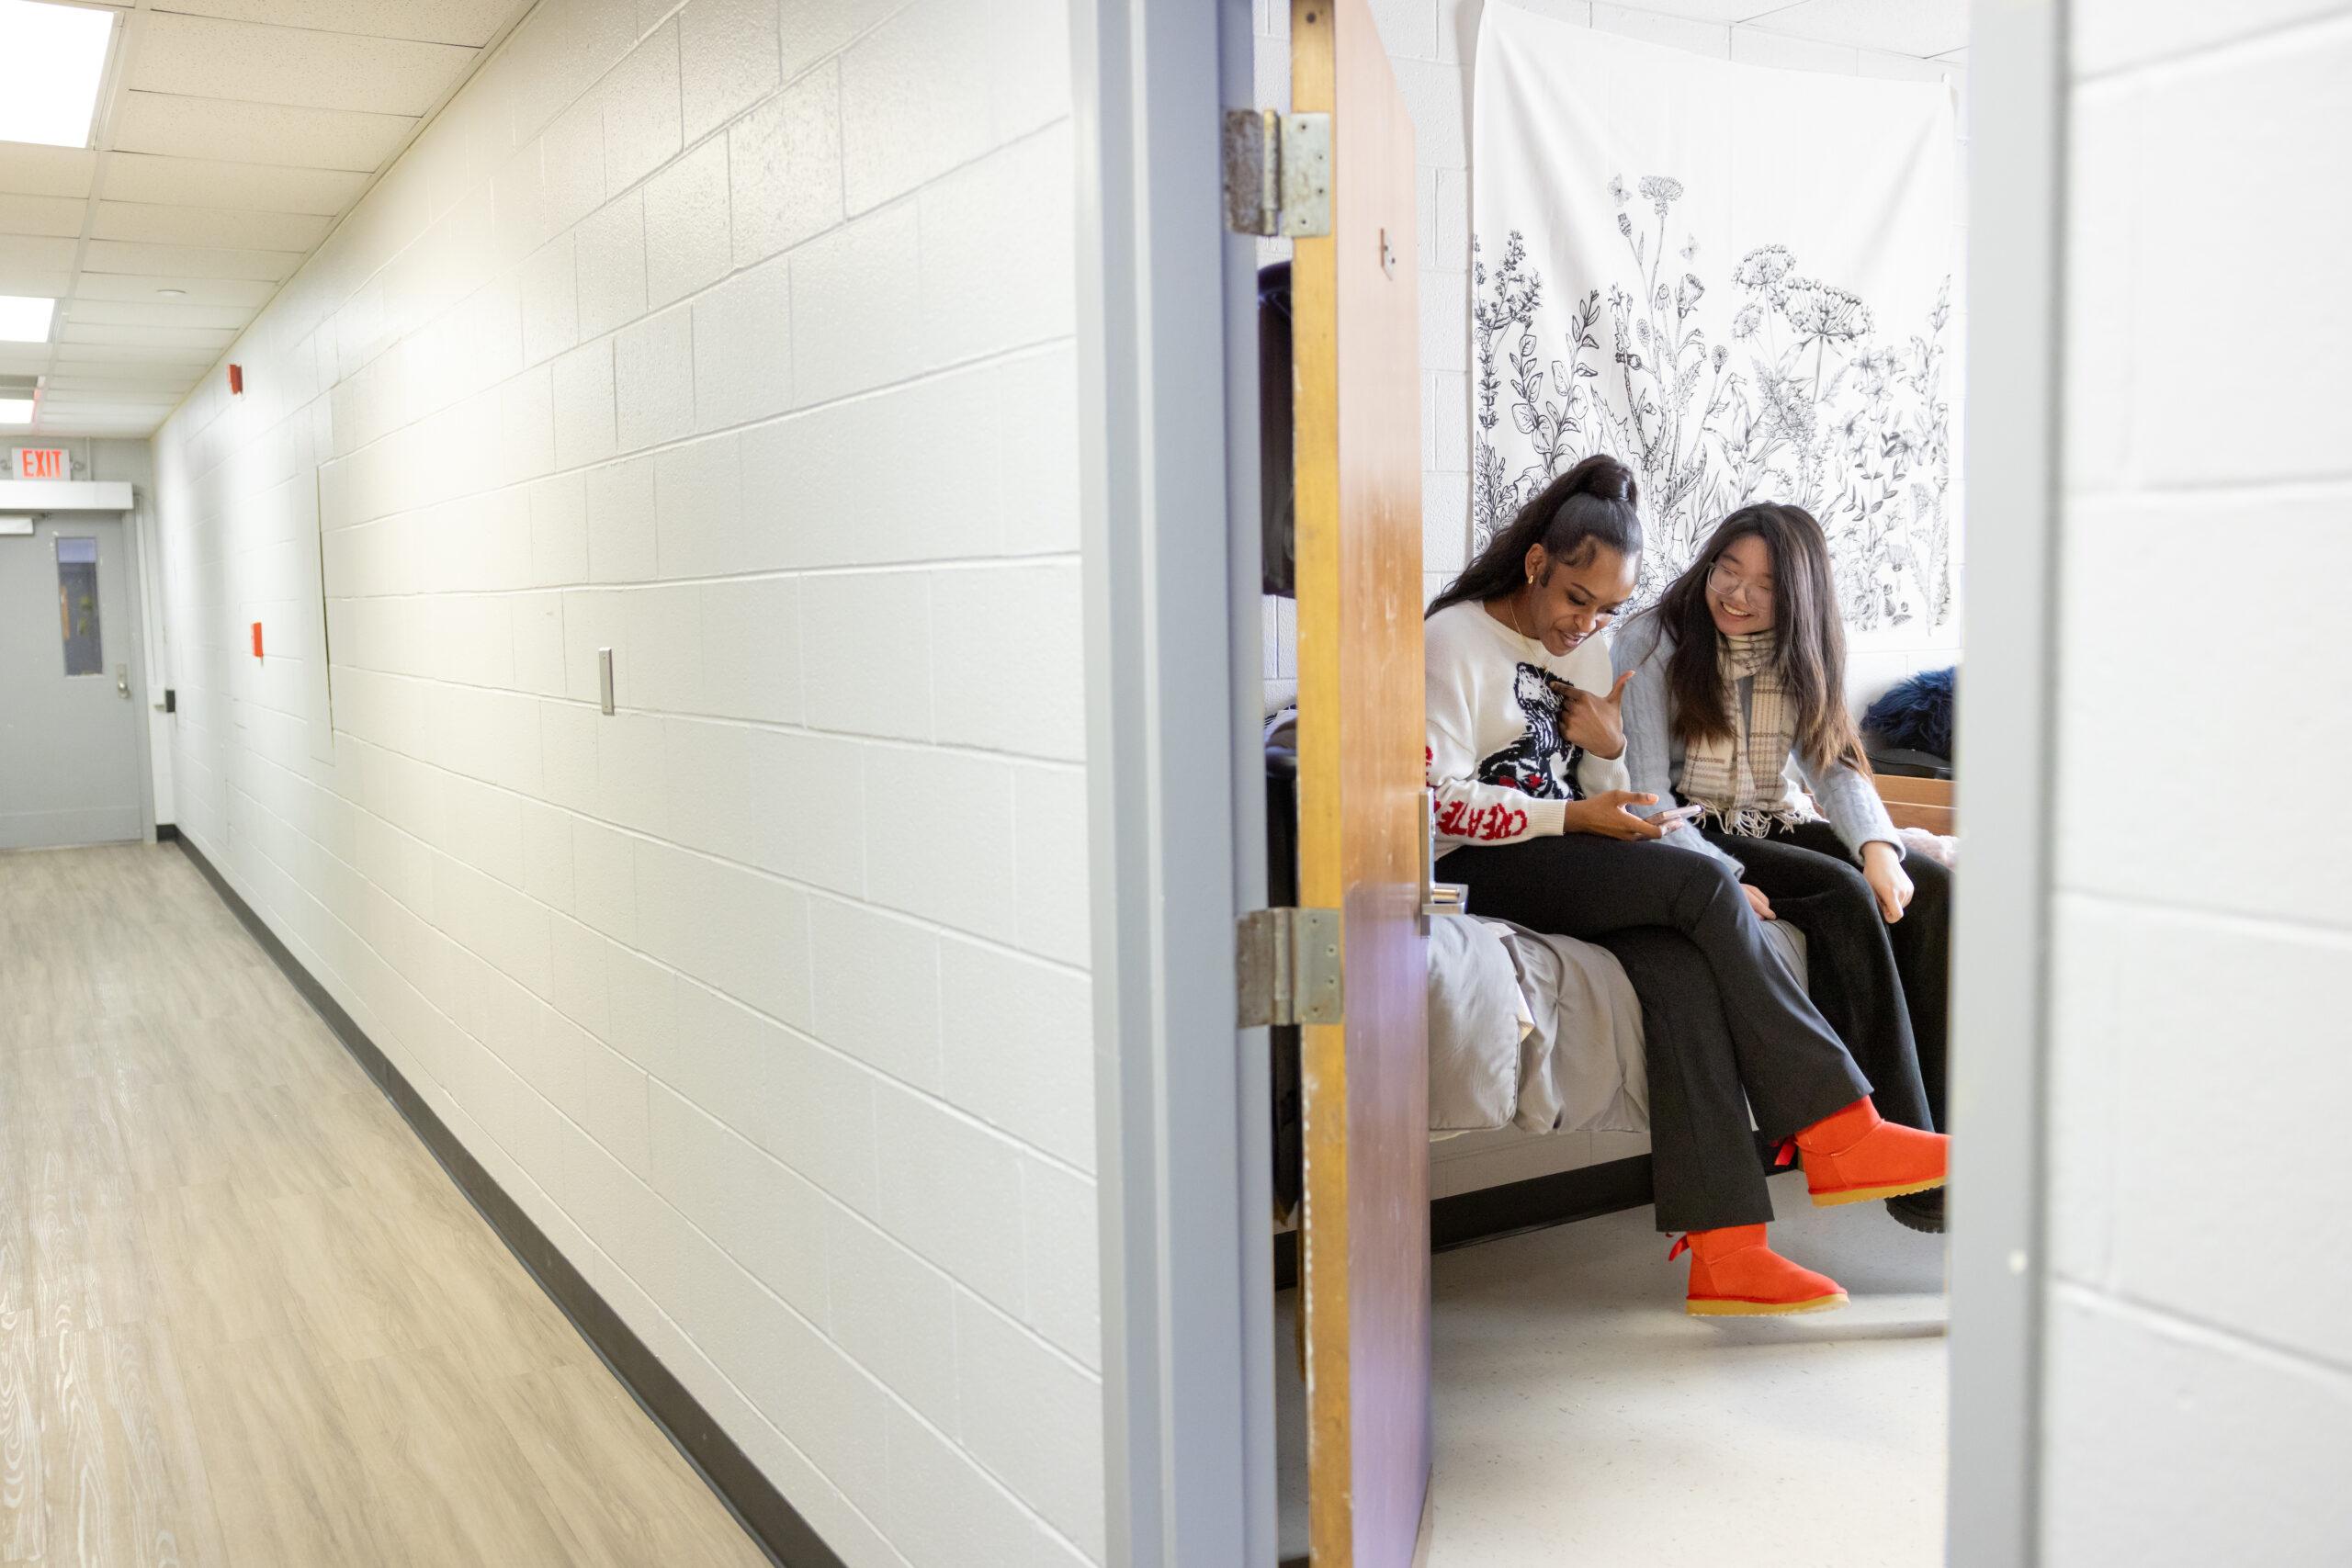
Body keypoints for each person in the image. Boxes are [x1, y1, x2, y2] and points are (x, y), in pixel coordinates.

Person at [1427, 455, 1946, 1315]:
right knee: (1702, 894)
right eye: (1573, 599)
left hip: (1567, 849)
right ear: (1535, 565)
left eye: (1605, 608)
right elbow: (1438, 801)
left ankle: (1726, 1249)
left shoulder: (1588, 652)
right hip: (1478, 861)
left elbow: (1607, 795)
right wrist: (1586, 821)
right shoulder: (1455, 640)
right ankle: (1841, 1130)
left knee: (1678, 962)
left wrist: (1603, 755)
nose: (1584, 623)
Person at [1613, 503, 1953, 1233]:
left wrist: (1881, 848)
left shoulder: (1803, 651)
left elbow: (1832, 764)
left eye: (1761, 585)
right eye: (1726, 571)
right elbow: (1648, 795)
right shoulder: (1652, 641)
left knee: (1938, 891)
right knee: (1837, 895)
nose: (1736, 594)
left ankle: (1957, 1141)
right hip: (1697, 828)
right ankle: (1911, 1174)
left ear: (1796, 598)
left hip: (1776, 812)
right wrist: (1720, 877)